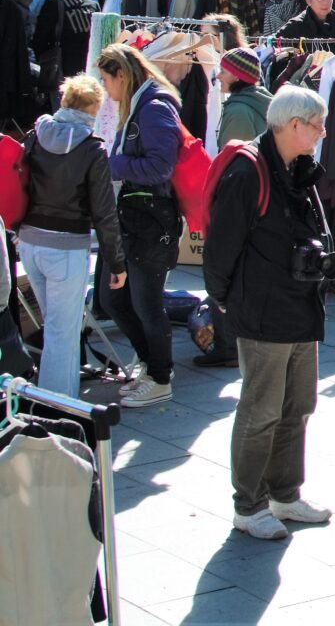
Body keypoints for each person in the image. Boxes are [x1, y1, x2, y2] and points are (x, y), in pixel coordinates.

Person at [203, 85, 335, 540]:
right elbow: (220, 247)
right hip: (262, 311)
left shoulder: (296, 166)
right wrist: (223, 299)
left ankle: (285, 493)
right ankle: (249, 504)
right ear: (293, 125)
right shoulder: (248, 171)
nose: (322, 132)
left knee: (298, 406)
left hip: (299, 305)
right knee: (261, 411)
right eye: (316, 125)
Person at [15, 75, 122, 398]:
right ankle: (59, 405)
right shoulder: (92, 149)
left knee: (55, 326)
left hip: (30, 242)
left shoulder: (36, 134)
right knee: (63, 332)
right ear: (93, 108)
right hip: (66, 247)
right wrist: (116, 262)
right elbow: (104, 211)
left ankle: (51, 398)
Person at [95, 44, 183, 407]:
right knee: (112, 299)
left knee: (145, 303)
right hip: (133, 218)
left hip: (151, 220)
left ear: (121, 75)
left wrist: (112, 164)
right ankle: (151, 366)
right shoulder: (141, 104)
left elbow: (162, 166)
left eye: (105, 80)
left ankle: (160, 377)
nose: (105, 90)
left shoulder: (154, 106)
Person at [31, 0, 96, 96]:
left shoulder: (52, 5)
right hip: (90, 71)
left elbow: (39, 41)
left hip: (61, 73)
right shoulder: (93, 6)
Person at [217, 46, 273, 146]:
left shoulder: (238, 111)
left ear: (237, 76)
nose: (218, 76)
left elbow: (233, 153)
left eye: (223, 71)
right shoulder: (256, 99)